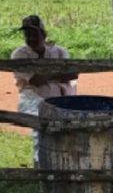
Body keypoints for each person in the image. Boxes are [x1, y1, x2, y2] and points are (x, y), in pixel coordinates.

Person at [11, 15, 77, 163]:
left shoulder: (59, 51)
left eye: (35, 34)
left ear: (44, 34)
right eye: (27, 34)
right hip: (32, 98)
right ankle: (41, 165)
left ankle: (62, 163)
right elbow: (36, 80)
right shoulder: (19, 55)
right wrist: (57, 72)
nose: (31, 38)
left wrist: (47, 73)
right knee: (41, 127)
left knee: (67, 129)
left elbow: (72, 74)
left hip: (61, 97)